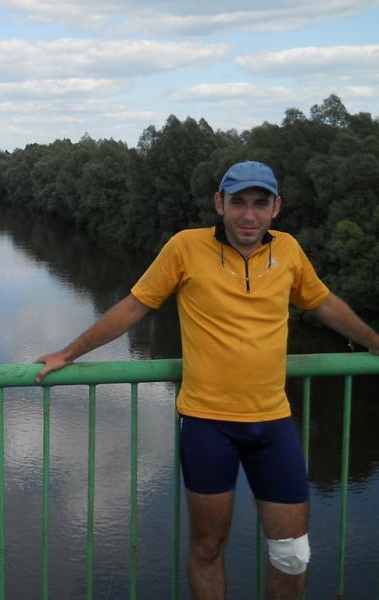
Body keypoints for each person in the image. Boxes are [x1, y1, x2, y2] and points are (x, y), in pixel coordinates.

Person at [34, 160, 379, 600]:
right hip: (208, 425)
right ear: (220, 203)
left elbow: (323, 303)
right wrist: (68, 352)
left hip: (273, 423)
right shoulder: (185, 247)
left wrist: (373, 341)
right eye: (238, 202)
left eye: (260, 204)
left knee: (292, 552)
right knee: (207, 548)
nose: (248, 215)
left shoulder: (289, 250)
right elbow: (135, 306)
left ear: (276, 207)